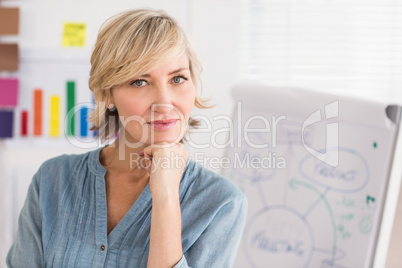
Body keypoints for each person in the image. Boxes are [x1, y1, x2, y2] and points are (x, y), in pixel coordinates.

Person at [6, 8, 248, 268]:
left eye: (177, 78)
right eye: (139, 82)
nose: (165, 102)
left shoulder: (221, 203)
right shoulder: (52, 180)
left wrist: (166, 194)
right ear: (107, 94)